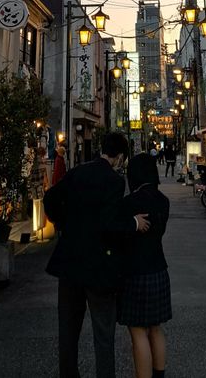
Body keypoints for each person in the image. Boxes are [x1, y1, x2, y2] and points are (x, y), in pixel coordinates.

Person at [43, 132, 150, 378]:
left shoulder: (78, 172)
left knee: (68, 331)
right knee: (103, 334)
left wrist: (63, 224)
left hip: (69, 263)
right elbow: (108, 223)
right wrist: (132, 223)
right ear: (120, 157)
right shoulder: (114, 181)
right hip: (99, 266)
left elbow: (50, 198)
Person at [118, 153, 171, 378]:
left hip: (135, 271)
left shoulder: (129, 203)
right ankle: (159, 373)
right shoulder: (163, 201)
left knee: (137, 330)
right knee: (155, 327)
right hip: (159, 267)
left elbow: (118, 232)